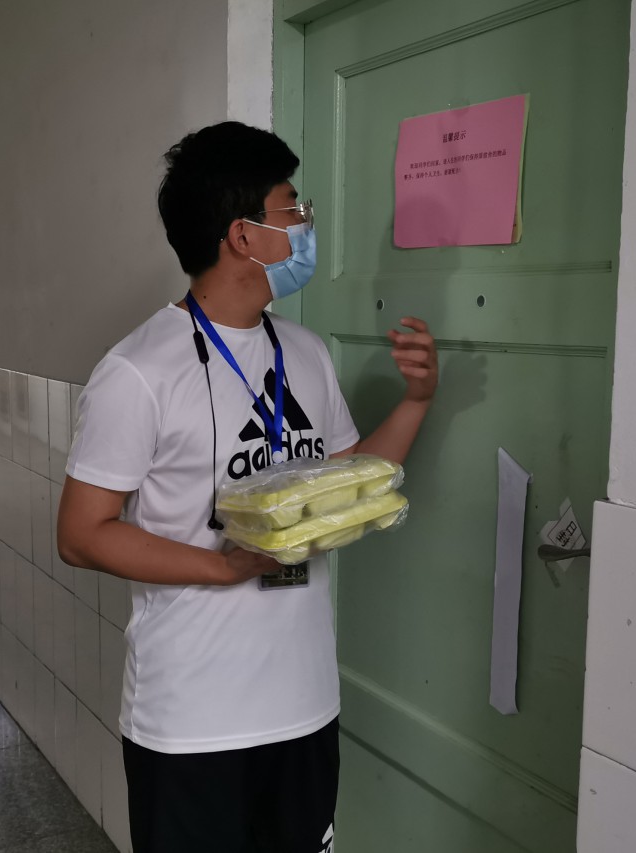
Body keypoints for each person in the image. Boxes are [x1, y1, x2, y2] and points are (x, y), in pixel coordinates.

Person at [56, 121, 438, 853]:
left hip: (304, 707)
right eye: (293, 208)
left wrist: (416, 401)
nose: (305, 224)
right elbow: (80, 535)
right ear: (243, 235)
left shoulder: (305, 352)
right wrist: (223, 567)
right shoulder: (138, 371)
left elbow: (353, 481)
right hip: (191, 723)